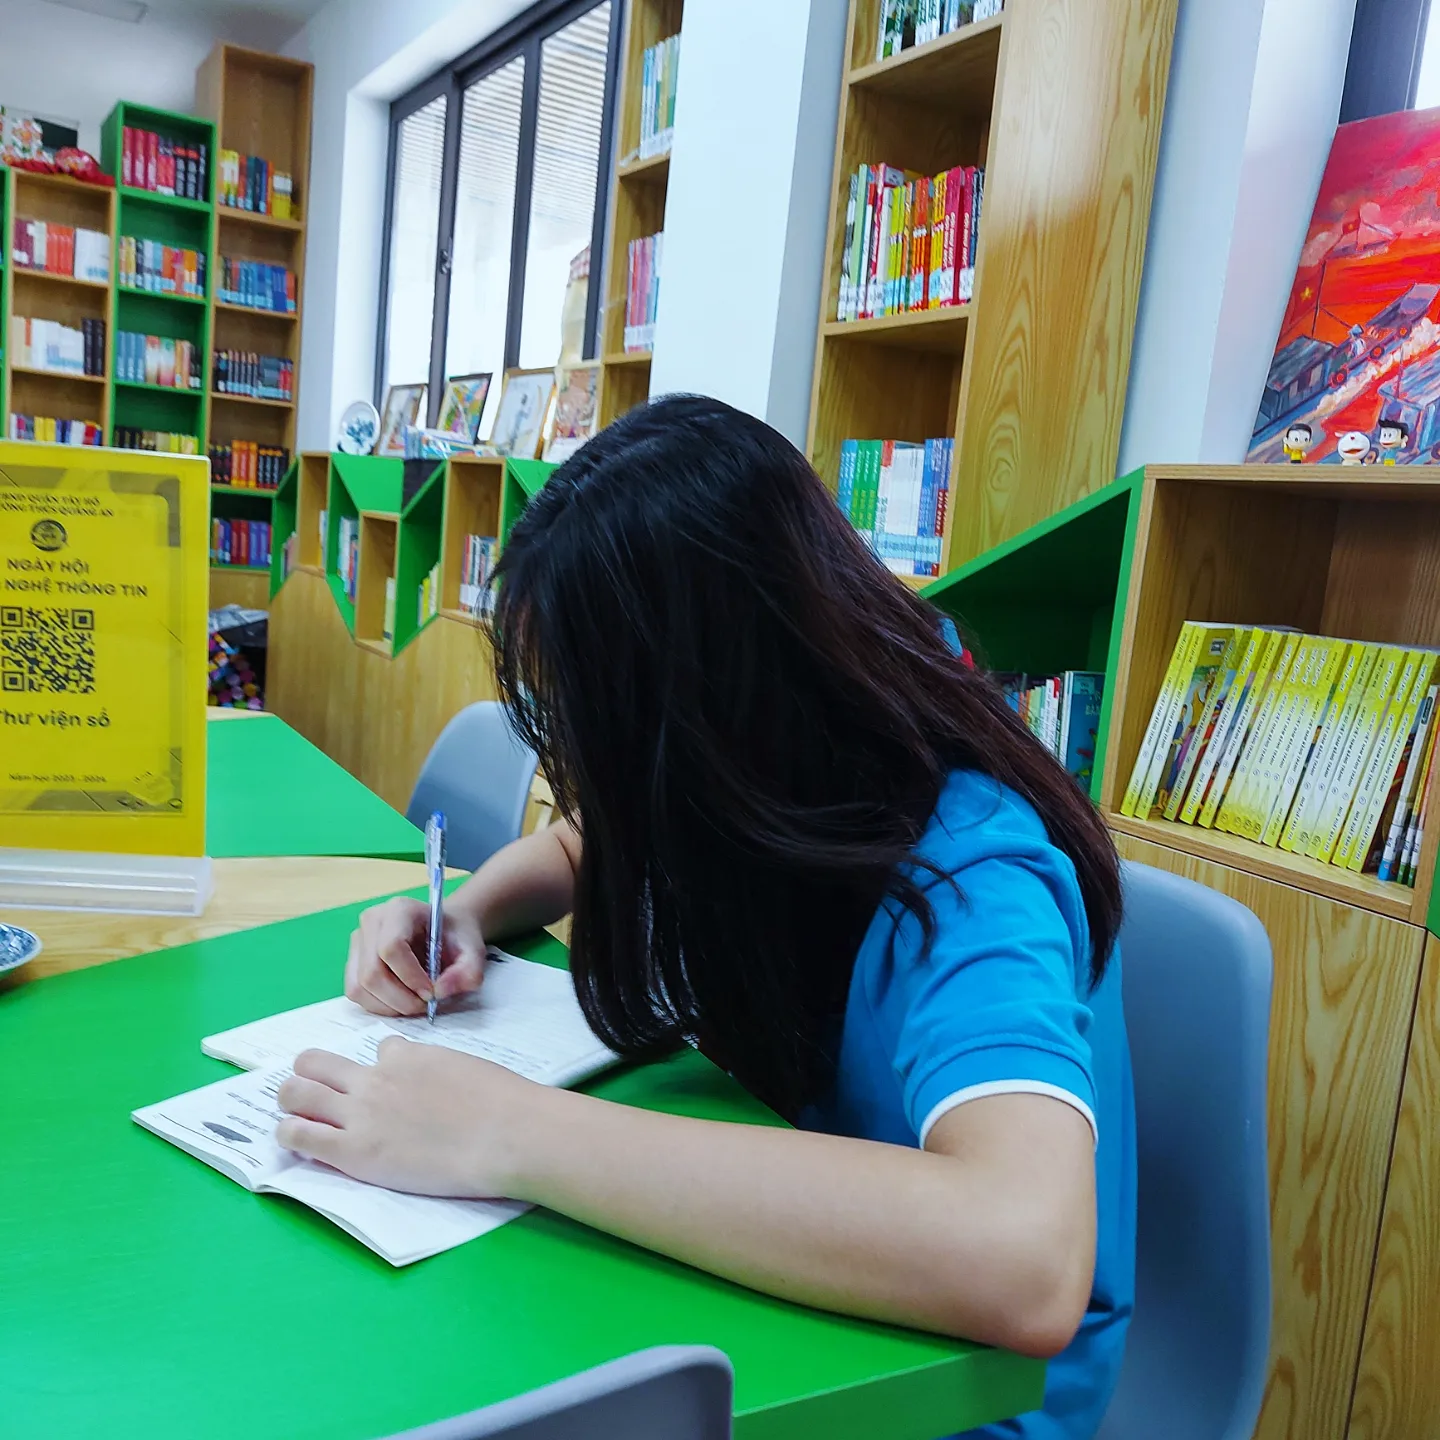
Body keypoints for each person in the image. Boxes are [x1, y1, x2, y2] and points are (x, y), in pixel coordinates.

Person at [276, 397, 1136, 1440]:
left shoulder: (972, 872)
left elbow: (1026, 1256)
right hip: (788, 1309)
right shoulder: (800, 733)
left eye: (606, 727)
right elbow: (589, 840)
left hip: (935, 1401)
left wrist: (506, 1130)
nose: (579, 767)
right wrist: (462, 910)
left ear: (711, 702)